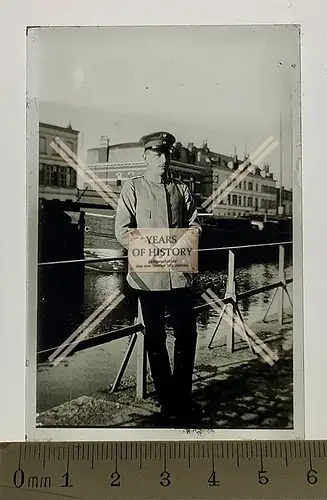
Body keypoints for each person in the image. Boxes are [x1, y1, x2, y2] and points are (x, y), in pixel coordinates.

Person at [115, 131, 202, 424]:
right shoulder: (133, 188)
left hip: (179, 277)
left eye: (166, 154)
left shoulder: (181, 190)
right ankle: (167, 400)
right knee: (155, 336)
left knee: (187, 335)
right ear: (146, 157)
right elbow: (123, 230)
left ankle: (182, 395)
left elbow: (194, 224)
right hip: (148, 277)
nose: (163, 160)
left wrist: (187, 238)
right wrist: (152, 247)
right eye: (156, 155)